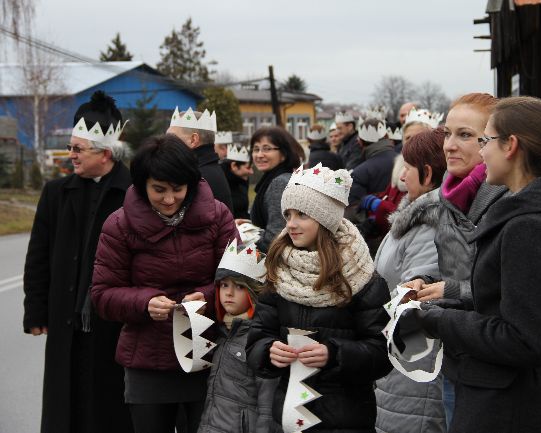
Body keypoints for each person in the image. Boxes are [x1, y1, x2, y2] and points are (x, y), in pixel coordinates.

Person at [397, 96, 541, 433]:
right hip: (524, 397)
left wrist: (436, 319)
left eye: (484, 140)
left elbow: (522, 338)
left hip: (511, 406)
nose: (481, 152)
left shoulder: (527, 226)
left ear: (511, 146)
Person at [91, 134, 239, 433]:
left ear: (192, 184)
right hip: (147, 360)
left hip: (209, 354)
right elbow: (102, 294)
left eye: (178, 189)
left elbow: (241, 280)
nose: (169, 199)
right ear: (142, 184)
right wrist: (144, 303)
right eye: (158, 190)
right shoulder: (119, 225)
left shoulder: (218, 216)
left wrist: (208, 296)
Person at [246, 165, 392, 432]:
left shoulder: (362, 278)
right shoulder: (278, 270)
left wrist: (334, 354)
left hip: (344, 419)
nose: (290, 223)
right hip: (289, 417)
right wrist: (268, 351)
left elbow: (383, 353)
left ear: (324, 218)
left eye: (302, 214)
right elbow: (257, 337)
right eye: (288, 214)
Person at [23, 90, 133, 433]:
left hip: (111, 323)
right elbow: (38, 255)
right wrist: (35, 310)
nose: (69, 155)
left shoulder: (132, 193)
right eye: (71, 147)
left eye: (77, 149)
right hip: (65, 319)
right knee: (64, 406)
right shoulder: (56, 192)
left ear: (105, 152)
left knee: (106, 406)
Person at [403, 93, 507, 426]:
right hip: (457, 357)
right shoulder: (450, 197)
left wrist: (449, 291)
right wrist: (428, 285)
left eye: (464, 135)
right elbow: (460, 272)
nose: (449, 145)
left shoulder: (510, 201)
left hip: (500, 367)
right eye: (447, 133)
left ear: (495, 141)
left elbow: (510, 291)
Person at [374, 127, 447, 433]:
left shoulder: (429, 226)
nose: (401, 176)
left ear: (427, 174)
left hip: (412, 358)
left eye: (407, 167)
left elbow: (414, 302)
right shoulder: (414, 217)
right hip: (398, 352)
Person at [198, 240, 277, 433]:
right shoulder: (220, 333)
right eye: (224, 285)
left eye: (239, 287)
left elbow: (268, 404)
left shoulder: (262, 340)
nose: (229, 293)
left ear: (254, 292)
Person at [167, 107, 234, 213]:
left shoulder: (197, 177)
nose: (165, 143)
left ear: (193, 140)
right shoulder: (208, 169)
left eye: (171, 138)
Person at [249, 126, 301, 252]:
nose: (259, 155)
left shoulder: (279, 183)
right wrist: (247, 224)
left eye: (267, 149)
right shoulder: (277, 178)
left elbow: (277, 235)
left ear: (283, 154)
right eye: (256, 149)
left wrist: (247, 239)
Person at [348, 118, 397, 205]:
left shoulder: (359, 173)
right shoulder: (406, 162)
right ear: (387, 136)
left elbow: (355, 209)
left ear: (360, 142)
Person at [221, 142, 254, 220]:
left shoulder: (242, 178)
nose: (252, 172)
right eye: (248, 168)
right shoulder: (221, 181)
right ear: (234, 166)